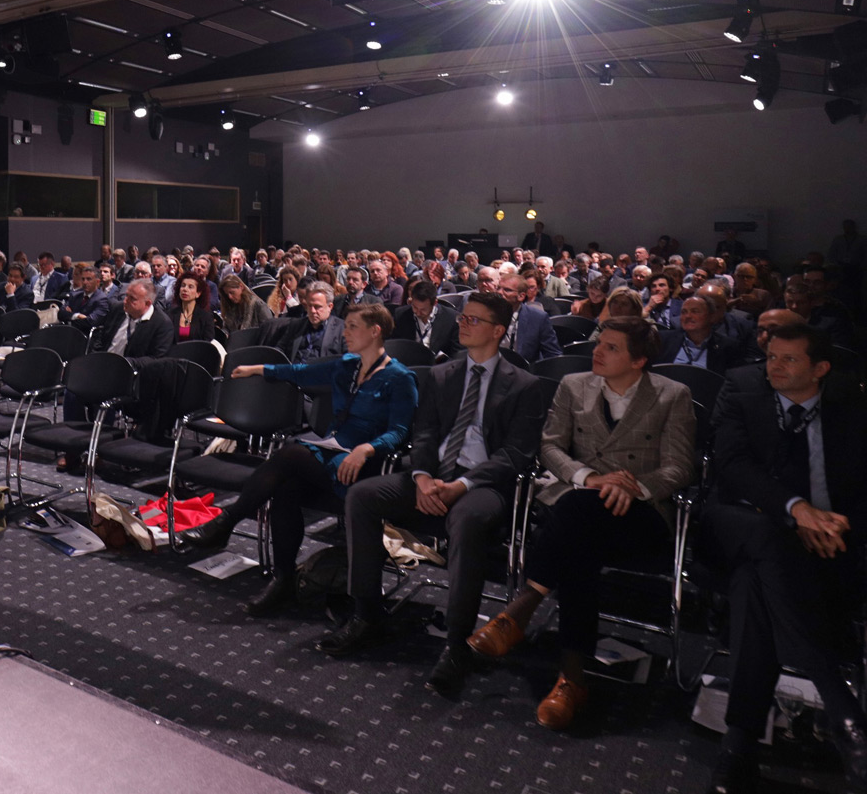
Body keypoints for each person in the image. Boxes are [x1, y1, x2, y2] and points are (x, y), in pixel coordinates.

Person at [467, 317, 694, 729]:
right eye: (599, 343)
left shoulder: (671, 395)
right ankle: (571, 679)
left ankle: (522, 608)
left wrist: (635, 488)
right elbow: (550, 446)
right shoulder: (574, 385)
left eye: (611, 347)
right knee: (580, 540)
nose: (597, 351)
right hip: (580, 499)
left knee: (575, 521)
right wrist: (589, 478)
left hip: (638, 512)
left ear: (639, 360)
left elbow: (679, 466)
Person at [324, 292, 545, 694]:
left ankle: (457, 643)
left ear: (498, 331)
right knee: (362, 496)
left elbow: (515, 454)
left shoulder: (525, 385)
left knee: (466, 518)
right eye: (463, 317)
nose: (463, 324)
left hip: (483, 483)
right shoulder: (442, 374)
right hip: (433, 473)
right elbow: (423, 433)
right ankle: (367, 614)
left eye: (474, 320)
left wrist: (461, 485)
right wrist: (424, 477)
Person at [699, 324, 866, 794]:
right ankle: (838, 701)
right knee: (766, 536)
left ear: (820, 369)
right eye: (771, 356)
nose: (774, 366)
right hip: (737, 526)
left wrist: (837, 525)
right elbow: (733, 467)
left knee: (753, 587)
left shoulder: (850, 408)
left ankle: (739, 745)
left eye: (789, 359)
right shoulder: (743, 391)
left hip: (818, 548)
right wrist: (797, 512)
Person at [178, 304, 417, 614]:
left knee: (291, 453)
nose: (345, 332)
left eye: (352, 327)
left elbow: (400, 432)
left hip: (362, 467)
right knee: (285, 487)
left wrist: (367, 449)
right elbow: (299, 372)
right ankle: (283, 578)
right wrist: (257, 369)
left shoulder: (400, 378)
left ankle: (227, 522)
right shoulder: (348, 365)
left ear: (375, 332)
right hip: (331, 453)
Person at [261, 281, 345, 362]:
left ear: (330, 306)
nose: (312, 311)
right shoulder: (296, 326)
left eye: (317, 307)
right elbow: (279, 351)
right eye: (309, 306)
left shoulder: (342, 330)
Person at [393, 278, 460, 359]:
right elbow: (394, 345)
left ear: (435, 303)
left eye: (423, 310)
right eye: (415, 307)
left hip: (439, 364)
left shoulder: (450, 318)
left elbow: (457, 352)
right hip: (409, 361)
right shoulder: (400, 315)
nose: (418, 313)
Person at [501, 273, 561, 362]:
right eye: (498, 288)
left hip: (524, 368)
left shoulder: (537, 318)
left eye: (507, 290)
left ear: (521, 296)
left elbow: (553, 354)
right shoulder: (485, 314)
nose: (499, 292)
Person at [169, 271, 216, 342]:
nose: (185, 289)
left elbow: (207, 342)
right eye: (183, 285)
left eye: (190, 287)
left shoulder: (206, 316)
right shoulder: (170, 314)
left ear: (198, 293)